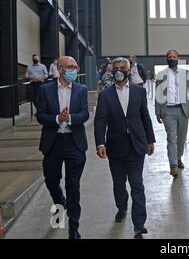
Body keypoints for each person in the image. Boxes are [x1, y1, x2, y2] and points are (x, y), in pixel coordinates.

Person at [94, 57, 156, 239]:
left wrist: (150, 140)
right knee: (119, 183)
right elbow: (100, 121)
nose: (119, 71)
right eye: (116, 68)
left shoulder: (139, 92)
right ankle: (121, 208)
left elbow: (145, 116)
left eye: (123, 68)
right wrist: (100, 143)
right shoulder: (105, 95)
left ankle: (139, 223)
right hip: (115, 146)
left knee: (137, 184)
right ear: (111, 71)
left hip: (137, 144)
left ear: (129, 71)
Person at [36, 56, 89, 239]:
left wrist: (70, 118)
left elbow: (84, 114)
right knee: (51, 180)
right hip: (53, 142)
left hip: (74, 142)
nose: (73, 69)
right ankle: (59, 202)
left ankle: (73, 228)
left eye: (75, 66)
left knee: (73, 185)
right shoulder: (45, 90)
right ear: (59, 69)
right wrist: (58, 119)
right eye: (69, 67)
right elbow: (40, 116)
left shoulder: (81, 90)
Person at [155, 50, 189, 178]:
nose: (172, 58)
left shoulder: (185, 73)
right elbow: (158, 95)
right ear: (166, 59)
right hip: (168, 111)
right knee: (172, 138)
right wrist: (158, 112)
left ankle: (178, 158)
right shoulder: (161, 75)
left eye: (174, 56)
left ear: (178, 58)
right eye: (170, 57)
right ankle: (173, 165)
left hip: (183, 109)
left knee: (181, 138)